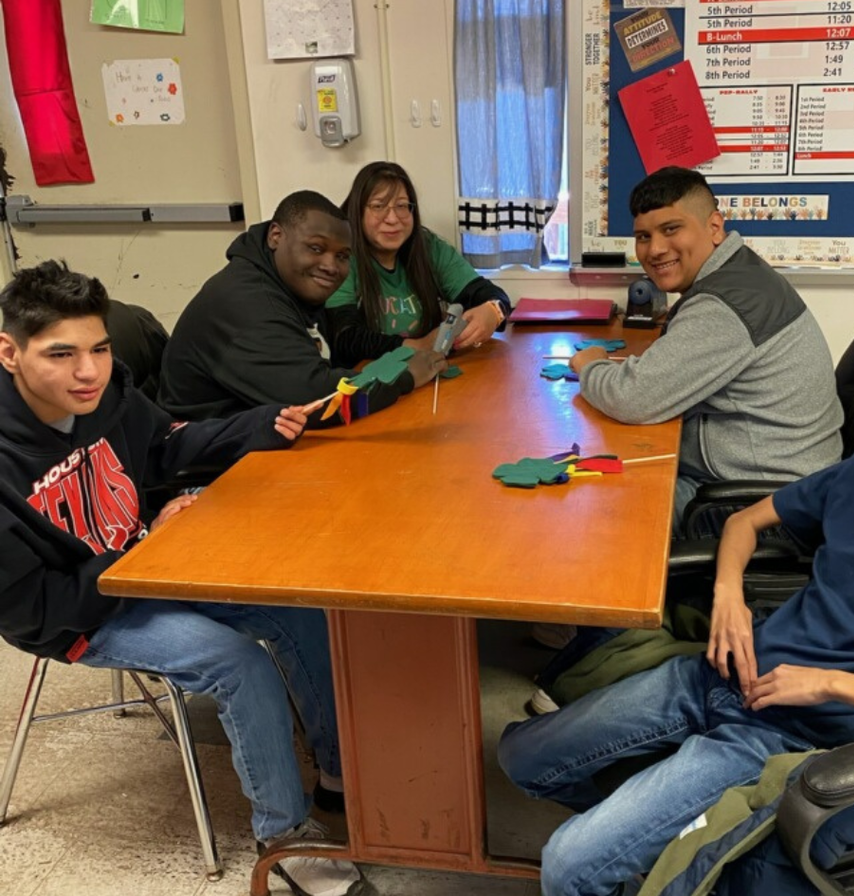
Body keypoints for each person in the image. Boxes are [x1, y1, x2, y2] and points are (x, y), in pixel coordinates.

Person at [500, 335, 854, 896]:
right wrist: (729, 598)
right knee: (521, 756)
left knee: (568, 866)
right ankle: (657, 837)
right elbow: (743, 522)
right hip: (722, 674)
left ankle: (656, 844)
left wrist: (831, 683)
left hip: (789, 733)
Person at [0, 261, 362, 896]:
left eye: (100, 348)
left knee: (302, 608)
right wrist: (143, 552)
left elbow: (164, 445)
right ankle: (284, 837)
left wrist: (262, 423)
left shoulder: (100, 394)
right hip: (75, 612)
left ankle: (337, 774)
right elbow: (32, 607)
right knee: (235, 662)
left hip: (143, 562)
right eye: (61, 354)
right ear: (10, 352)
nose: (89, 372)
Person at [569, 166, 842, 534]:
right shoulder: (737, 273)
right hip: (774, 477)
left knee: (602, 512)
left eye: (671, 229)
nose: (655, 249)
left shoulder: (724, 304)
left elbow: (633, 397)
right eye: (643, 236)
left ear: (714, 227)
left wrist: (590, 367)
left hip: (766, 506)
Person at [158, 189, 444, 422]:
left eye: (343, 256)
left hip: (259, 435)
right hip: (217, 469)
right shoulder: (249, 302)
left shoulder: (287, 285)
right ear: (276, 236)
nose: (331, 266)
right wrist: (404, 379)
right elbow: (315, 401)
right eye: (316, 248)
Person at [325, 161, 511, 363]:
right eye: (378, 206)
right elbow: (345, 337)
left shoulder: (429, 247)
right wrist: (418, 346)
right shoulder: (342, 257)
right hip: (365, 381)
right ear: (357, 211)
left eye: (402, 206)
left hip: (426, 372)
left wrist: (493, 310)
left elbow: (486, 293)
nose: (393, 218)